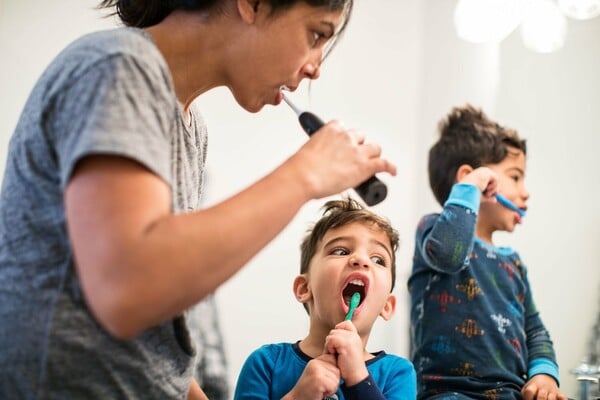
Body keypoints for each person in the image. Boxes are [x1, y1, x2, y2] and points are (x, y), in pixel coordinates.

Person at [0, 1, 399, 399]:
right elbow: (127, 290)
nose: (315, 66)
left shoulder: (192, 128)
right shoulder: (118, 67)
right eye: (316, 34)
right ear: (253, 4)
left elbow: (155, 337)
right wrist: (305, 174)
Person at [408, 104, 566, 400]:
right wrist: (470, 188)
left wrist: (544, 374)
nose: (526, 191)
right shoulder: (433, 230)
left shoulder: (513, 262)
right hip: (449, 392)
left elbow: (535, 330)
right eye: (516, 176)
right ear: (471, 178)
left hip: (512, 391)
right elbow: (450, 255)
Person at [234, 197, 417, 400]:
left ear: (387, 306)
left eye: (378, 260)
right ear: (304, 288)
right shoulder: (266, 364)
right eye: (341, 251)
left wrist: (358, 378)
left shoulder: (397, 373)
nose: (361, 260)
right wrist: (297, 397)